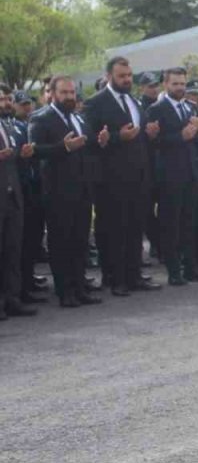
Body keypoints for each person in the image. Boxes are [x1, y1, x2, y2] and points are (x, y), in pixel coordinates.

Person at [80, 56, 162, 296]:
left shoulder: (134, 101)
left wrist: (150, 133)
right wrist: (116, 137)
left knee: (135, 227)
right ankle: (115, 278)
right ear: (109, 77)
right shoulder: (95, 103)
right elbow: (89, 139)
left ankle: (134, 274)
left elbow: (140, 138)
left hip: (138, 177)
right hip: (110, 180)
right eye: (121, 76)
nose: (126, 80)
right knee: (114, 229)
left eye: (128, 76)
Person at [28, 76, 101, 307]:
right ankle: (65, 291)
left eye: (72, 93)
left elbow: (87, 145)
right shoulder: (40, 119)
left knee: (80, 241)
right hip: (58, 191)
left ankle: (80, 287)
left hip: (82, 189)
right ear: (52, 93)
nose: (69, 97)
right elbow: (34, 151)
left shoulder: (78, 118)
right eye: (64, 93)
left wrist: (100, 140)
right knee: (61, 242)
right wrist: (63, 148)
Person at [146, 68, 198, 286]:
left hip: (190, 171)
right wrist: (180, 136)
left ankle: (191, 267)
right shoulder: (157, 109)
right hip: (169, 174)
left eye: (182, 83)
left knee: (189, 223)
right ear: (166, 85)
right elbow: (154, 142)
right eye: (175, 84)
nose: (180, 88)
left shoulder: (191, 107)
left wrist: (197, 132)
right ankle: (174, 270)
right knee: (171, 223)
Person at [0, 87, 36, 318]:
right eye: (0, 99)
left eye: (5, 99)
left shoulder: (8, 125)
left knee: (12, 250)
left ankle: (12, 299)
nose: (5, 103)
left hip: (13, 195)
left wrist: (22, 155)